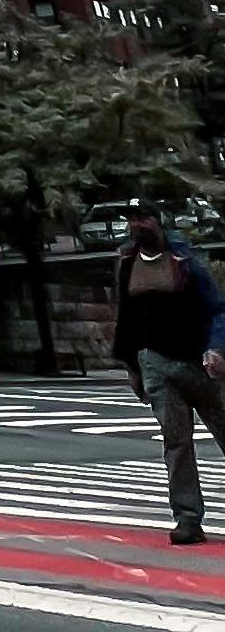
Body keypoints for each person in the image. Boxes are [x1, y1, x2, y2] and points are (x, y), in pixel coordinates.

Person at [112, 201, 225, 542]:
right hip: (156, 365)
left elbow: (217, 308)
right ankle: (188, 518)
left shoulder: (185, 262)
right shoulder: (126, 264)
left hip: (199, 364)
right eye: (131, 220)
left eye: (142, 218)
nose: (136, 225)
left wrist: (217, 347)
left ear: (158, 222)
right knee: (176, 444)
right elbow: (127, 318)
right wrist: (132, 367)